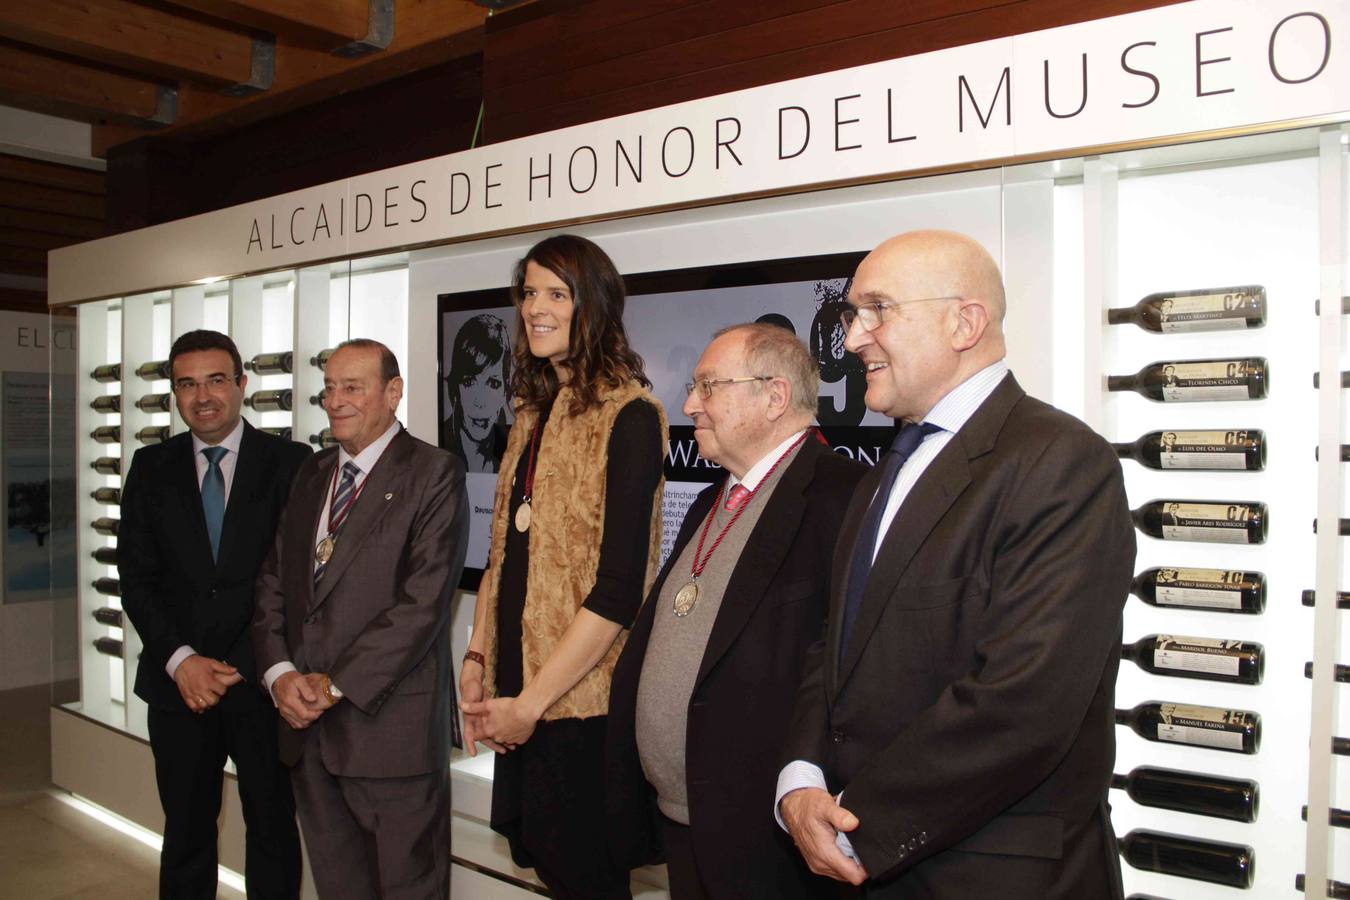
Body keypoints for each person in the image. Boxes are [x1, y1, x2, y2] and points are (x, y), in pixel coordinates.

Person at [777, 230, 1136, 899]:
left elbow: (1024, 700)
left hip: (992, 876)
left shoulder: (1061, 463)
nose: (852, 339)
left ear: (964, 323)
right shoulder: (885, 472)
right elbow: (836, 646)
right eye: (853, 314)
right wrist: (799, 781)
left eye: (877, 310)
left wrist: (854, 823)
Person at [606, 323, 865, 899]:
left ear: (774, 396)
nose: (689, 405)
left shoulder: (845, 498)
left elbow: (846, 672)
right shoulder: (711, 498)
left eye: (708, 386)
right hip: (685, 825)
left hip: (769, 842)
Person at [458, 233, 667, 900]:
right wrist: (476, 657)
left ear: (593, 305)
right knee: (553, 870)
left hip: (580, 707)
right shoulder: (532, 411)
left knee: (590, 880)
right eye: (529, 292)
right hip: (519, 693)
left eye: (556, 293)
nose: (535, 308)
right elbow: (501, 553)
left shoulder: (631, 416)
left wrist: (531, 704)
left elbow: (618, 592)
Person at [251, 339, 468, 900]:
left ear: (393, 393)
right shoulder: (312, 472)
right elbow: (273, 581)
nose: (335, 401)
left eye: (352, 387)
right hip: (306, 733)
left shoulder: (434, 473)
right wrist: (279, 675)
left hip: (390, 735)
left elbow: (421, 606)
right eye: (329, 388)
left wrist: (332, 686)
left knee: (409, 890)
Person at [119, 329, 308, 899]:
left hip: (264, 686)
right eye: (187, 384)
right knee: (186, 835)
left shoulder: (292, 463)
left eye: (216, 380)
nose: (203, 396)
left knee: (273, 833)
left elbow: (298, 582)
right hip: (178, 689)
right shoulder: (150, 467)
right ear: (175, 393)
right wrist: (183, 662)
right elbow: (136, 580)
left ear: (242, 384)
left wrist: (244, 665)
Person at [441, 313, 511, 472]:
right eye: (469, 382)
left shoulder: (517, 449)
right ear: (456, 388)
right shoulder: (436, 453)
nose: (480, 402)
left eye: (493, 384)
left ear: (505, 391)